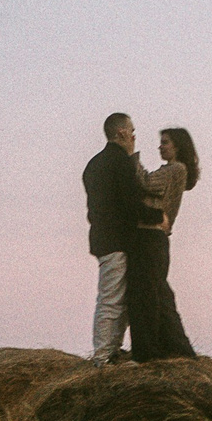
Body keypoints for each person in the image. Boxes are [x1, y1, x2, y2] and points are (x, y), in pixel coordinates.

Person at [82, 112, 153, 363]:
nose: (134, 137)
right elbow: (130, 203)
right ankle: (103, 356)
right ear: (121, 132)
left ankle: (111, 350)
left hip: (102, 238)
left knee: (115, 298)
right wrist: (157, 217)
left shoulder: (93, 164)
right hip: (117, 240)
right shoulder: (120, 162)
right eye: (132, 131)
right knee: (111, 299)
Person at [126, 126, 200, 361]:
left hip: (151, 237)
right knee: (159, 294)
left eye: (165, 142)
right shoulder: (173, 170)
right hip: (153, 239)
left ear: (178, 146)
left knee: (148, 295)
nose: (160, 146)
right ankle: (176, 348)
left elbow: (146, 183)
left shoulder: (176, 169)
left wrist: (131, 156)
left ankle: (158, 349)